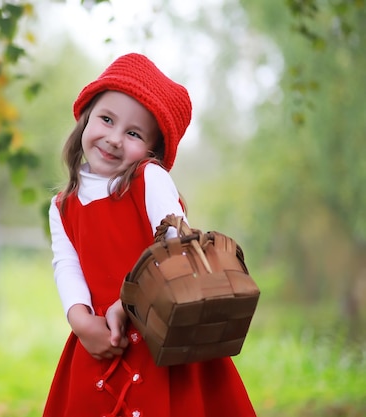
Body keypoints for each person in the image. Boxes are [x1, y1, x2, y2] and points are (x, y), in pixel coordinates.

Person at [43, 53, 256, 417]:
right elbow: (67, 265)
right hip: (99, 340)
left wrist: (129, 302)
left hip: (163, 332)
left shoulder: (148, 179)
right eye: (106, 120)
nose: (113, 139)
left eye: (133, 133)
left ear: (152, 149)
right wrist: (80, 322)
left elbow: (175, 244)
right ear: (86, 118)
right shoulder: (63, 205)